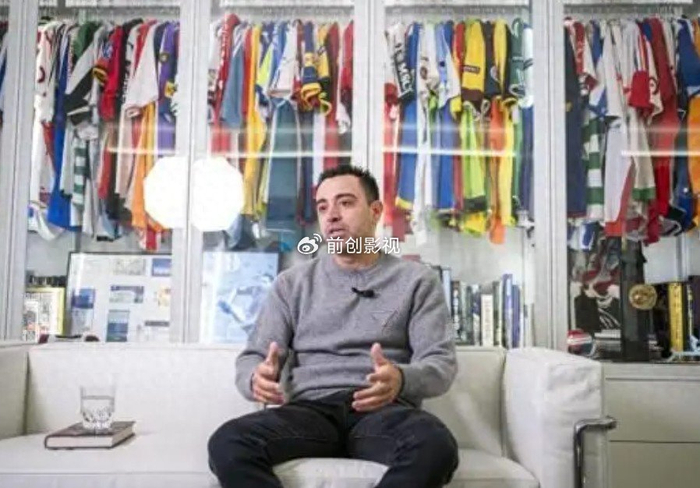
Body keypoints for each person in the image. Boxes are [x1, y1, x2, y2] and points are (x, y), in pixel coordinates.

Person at [208, 165, 459, 488]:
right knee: (228, 442)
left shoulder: (417, 281)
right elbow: (253, 356)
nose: (332, 216)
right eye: (323, 207)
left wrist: (400, 378)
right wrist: (256, 377)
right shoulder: (292, 283)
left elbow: (440, 364)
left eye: (346, 203)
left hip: (383, 412)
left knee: (435, 445)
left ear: (375, 211)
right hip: (308, 413)